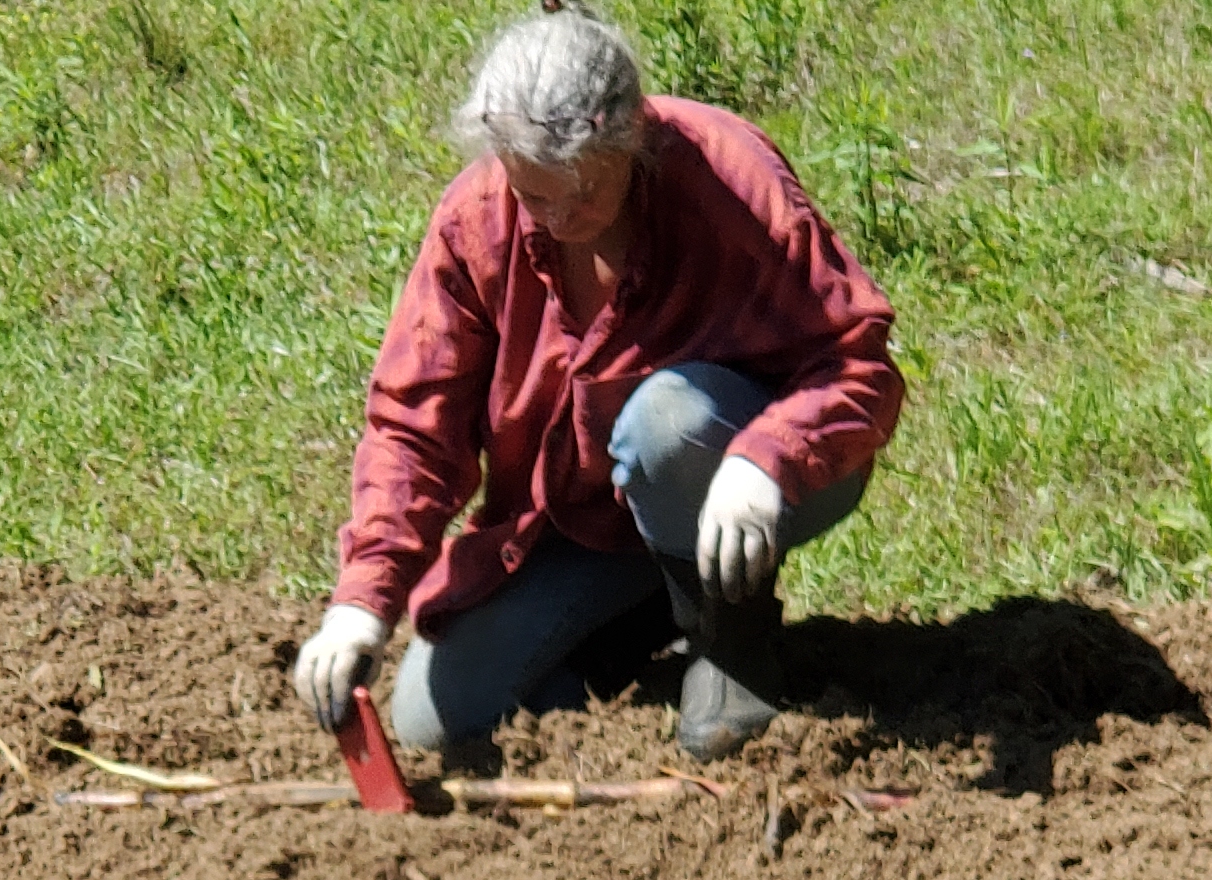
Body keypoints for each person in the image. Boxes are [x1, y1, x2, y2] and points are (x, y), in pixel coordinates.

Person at [292, 4, 903, 762]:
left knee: (666, 420)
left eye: (583, 191)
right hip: (585, 524)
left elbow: (857, 362)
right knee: (433, 720)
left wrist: (763, 461)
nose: (558, 216)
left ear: (632, 137)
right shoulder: (476, 223)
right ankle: (649, 616)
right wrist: (363, 600)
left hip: (744, 478)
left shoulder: (726, 179)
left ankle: (730, 639)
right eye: (536, 194)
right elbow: (416, 425)